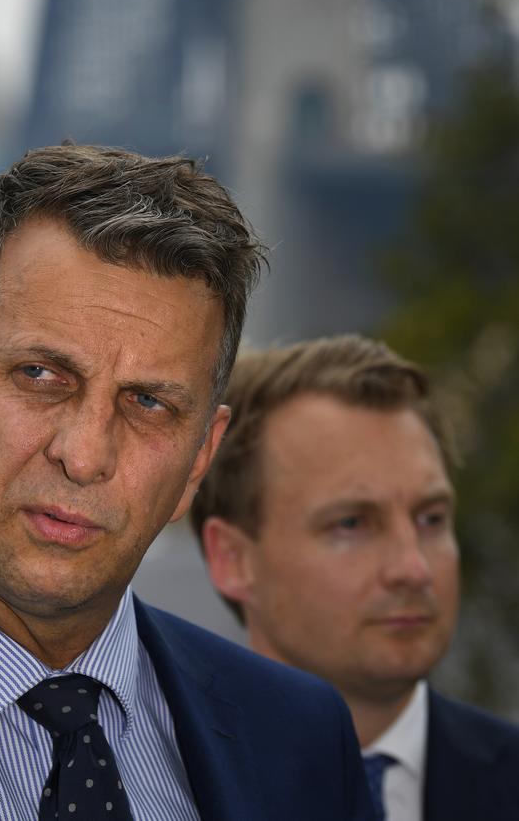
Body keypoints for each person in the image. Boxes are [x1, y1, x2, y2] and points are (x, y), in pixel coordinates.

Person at [0, 146, 374, 821]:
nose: (84, 455)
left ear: (199, 459)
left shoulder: (304, 742)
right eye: (41, 375)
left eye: (148, 403)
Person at [191, 335, 519, 821]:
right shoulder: (157, 791)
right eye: (352, 524)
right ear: (234, 560)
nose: (413, 569)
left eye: (430, 519)